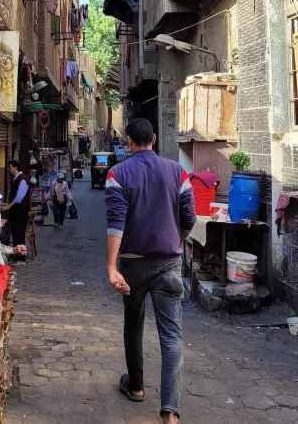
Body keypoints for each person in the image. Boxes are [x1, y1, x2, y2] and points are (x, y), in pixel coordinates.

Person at [104, 118, 196, 424]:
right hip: (168, 262)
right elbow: (190, 216)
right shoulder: (178, 171)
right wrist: (177, 241)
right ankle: (170, 413)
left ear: (129, 142)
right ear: (154, 139)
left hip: (132, 264)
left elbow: (116, 222)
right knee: (171, 337)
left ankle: (137, 388)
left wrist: (111, 266)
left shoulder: (118, 174)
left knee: (134, 324)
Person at [0, 160, 30, 265]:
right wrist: (7, 204)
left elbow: (19, 197)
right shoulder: (15, 179)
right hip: (15, 211)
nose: (8, 169)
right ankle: (16, 256)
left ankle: (21, 259)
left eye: (10, 167)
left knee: (19, 234)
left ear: (15, 167)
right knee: (15, 233)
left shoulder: (22, 180)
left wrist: (9, 205)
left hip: (20, 211)